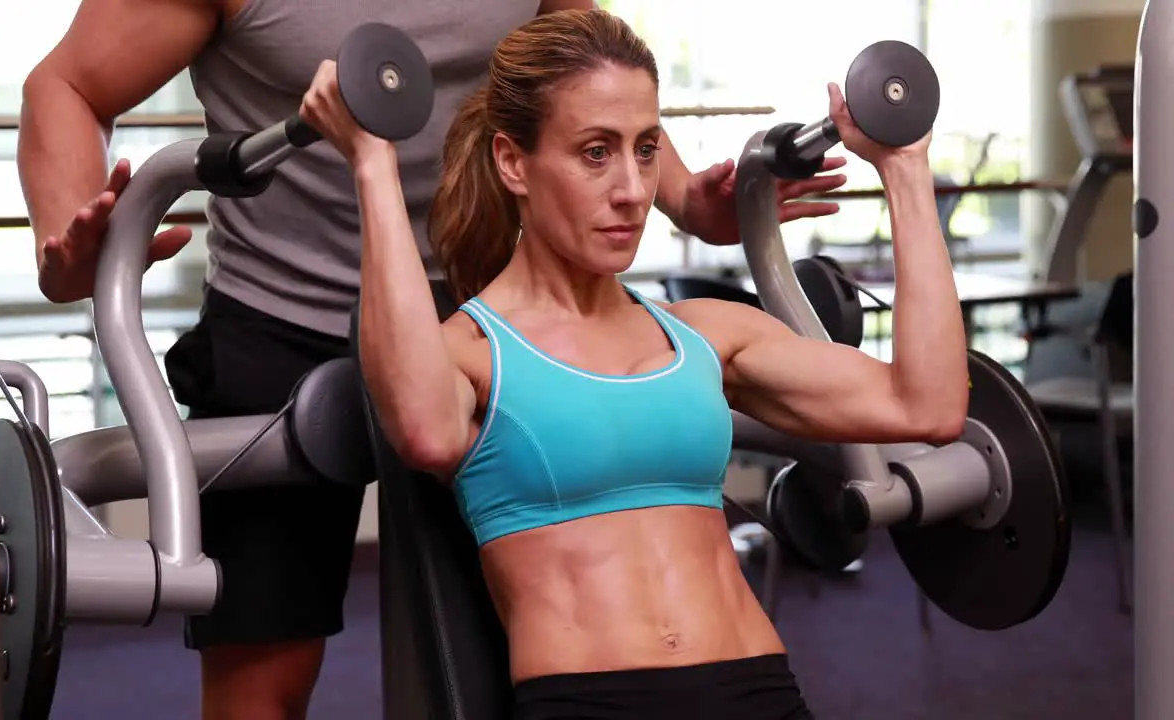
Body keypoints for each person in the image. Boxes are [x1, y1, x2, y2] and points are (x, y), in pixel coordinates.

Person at [17, 1, 846, 717]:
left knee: (530, 639)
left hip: (491, 312)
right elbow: (67, 84)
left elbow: (580, 71)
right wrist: (71, 240)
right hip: (279, 315)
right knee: (261, 682)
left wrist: (684, 197)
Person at [301, 8, 968, 720]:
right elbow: (423, 431)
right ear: (512, 163)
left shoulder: (704, 335)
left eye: (646, 149)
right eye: (595, 152)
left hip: (760, 694)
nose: (632, 191)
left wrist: (903, 166)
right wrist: (371, 164)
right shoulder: (470, 354)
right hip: (590, 703)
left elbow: (925, 406)